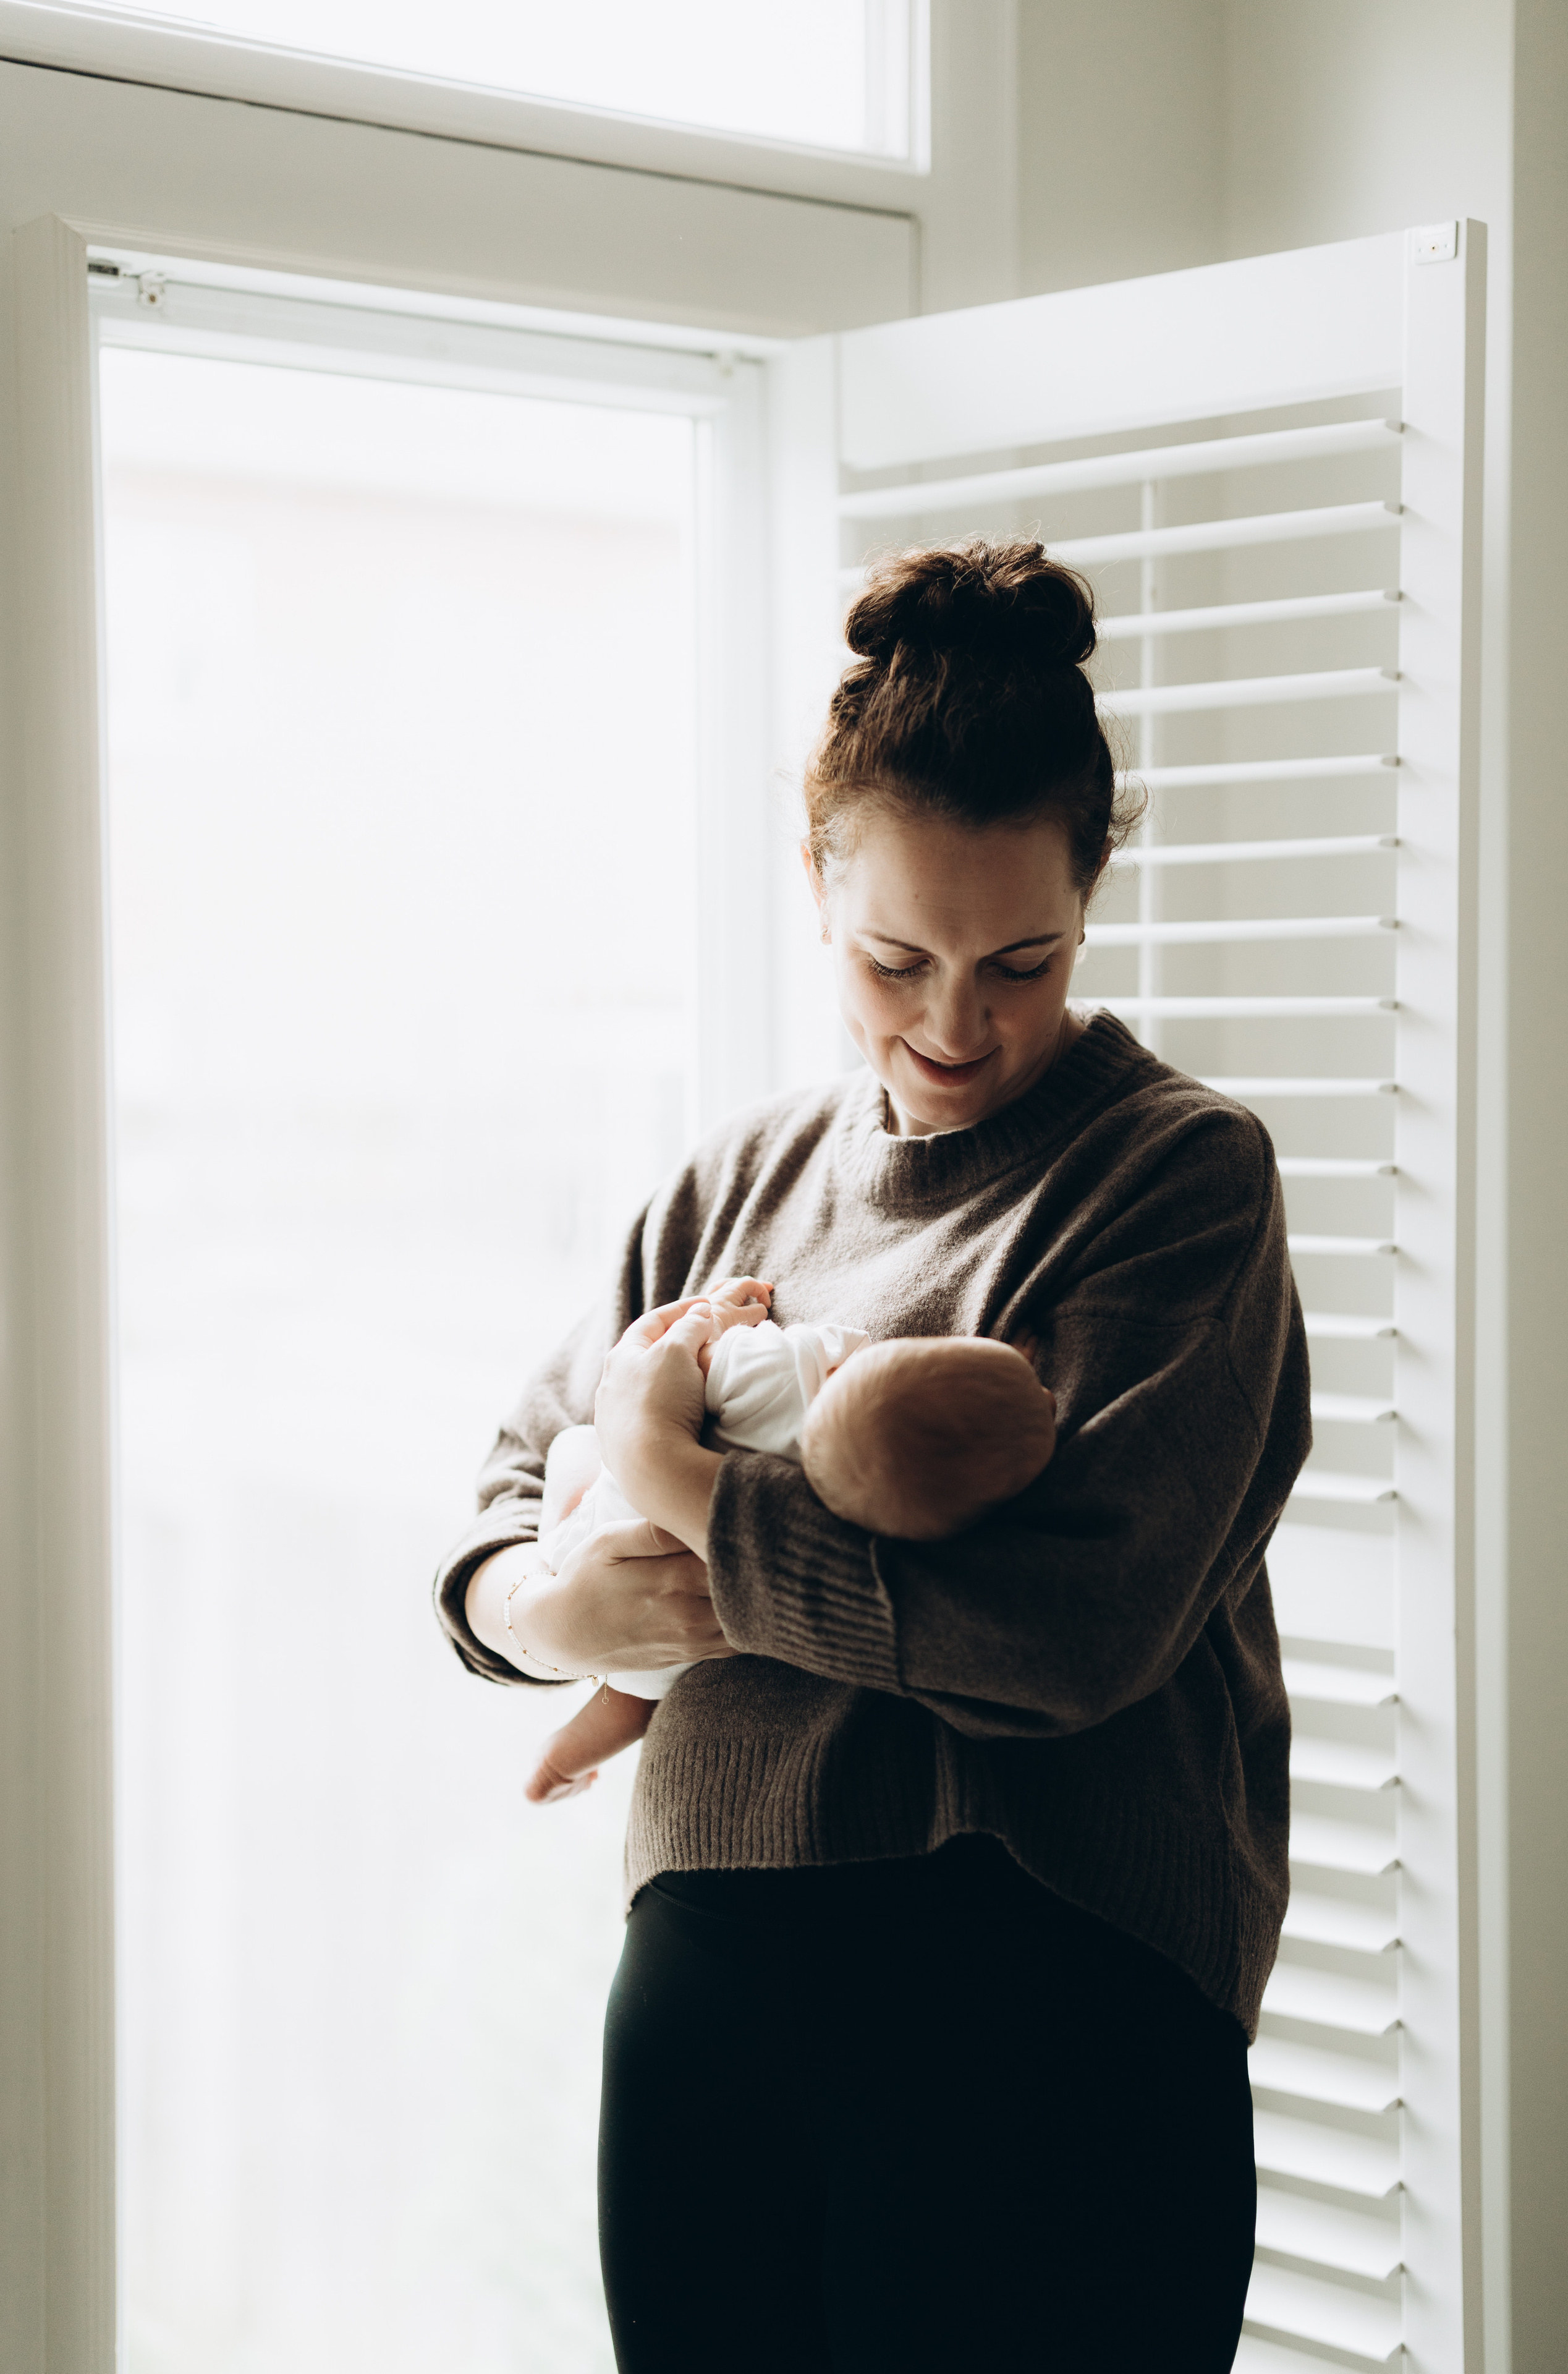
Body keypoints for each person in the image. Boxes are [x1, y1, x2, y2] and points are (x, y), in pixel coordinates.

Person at [434, 538, 1310, 2374]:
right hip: (710, 1986)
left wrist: (679, 1493)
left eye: (1021, 959)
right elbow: (505, 1512)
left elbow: (1062, 1640)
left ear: (1088, 899)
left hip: (1056, 1991)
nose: (953, 1022)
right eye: (891, 956)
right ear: (814, 889)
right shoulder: (727, 1179)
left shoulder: (1171, 1177)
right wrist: (554, 1599)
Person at [523, 1283, 1056, 1803]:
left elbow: (697, 1356)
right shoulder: (852, 1513)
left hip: (595, 1533)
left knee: (576, 1445)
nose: (1051, 1396)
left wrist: (720, 1313)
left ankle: (550, 1560)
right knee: (633, 1698)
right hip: (677, 1623)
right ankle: (563, 1758)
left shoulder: (793, 1361)